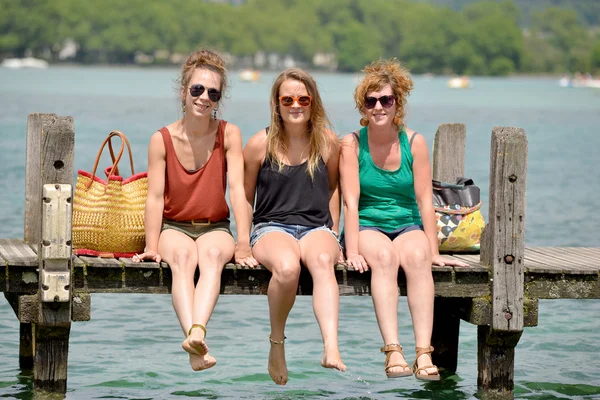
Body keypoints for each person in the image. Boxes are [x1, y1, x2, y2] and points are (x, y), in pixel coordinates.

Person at [339, 59, 468, 381]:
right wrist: (352, 250)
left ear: (398, 103)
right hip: (367, 223)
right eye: (371, 101)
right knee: (384, 258)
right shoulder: (352, 144)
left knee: (416, 257)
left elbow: (426, 200)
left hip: (408, 223)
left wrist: (435, 250)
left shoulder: (414, 142)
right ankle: (392, 349)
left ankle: (424, 353)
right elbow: (350, 202)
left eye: (386, 100)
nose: (379, 107)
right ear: (363, 106)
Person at [132, 50, 256, 372]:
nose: (203, 98)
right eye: (197, 90)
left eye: (212, 93)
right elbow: (155, 197)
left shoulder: (229, 133)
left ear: (219, 99)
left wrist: (243, 242)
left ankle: (196, 334)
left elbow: (239, 191)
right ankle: (195, 337)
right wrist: (151, 246)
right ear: (183, 91)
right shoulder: (161, 139)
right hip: (174, 227)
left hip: (216, 226)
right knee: (183, 260)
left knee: (213, 257)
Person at [242, 68, 346, 385]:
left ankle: (331, 347)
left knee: (322, 261)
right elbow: (245, 197)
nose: (296, 105)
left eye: (303, 98)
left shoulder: (328, 142)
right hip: (271, 228)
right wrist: (242, 244)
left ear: (313, 102)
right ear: (277, 104)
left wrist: (333, 232)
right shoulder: (259, 144)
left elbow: (333, 189)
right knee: (288, 268)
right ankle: (277, 343)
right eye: (287, 99)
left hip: (316, 228)